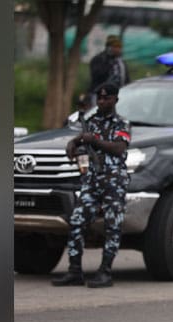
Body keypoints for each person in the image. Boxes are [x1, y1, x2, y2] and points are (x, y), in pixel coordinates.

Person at [52, 83, 131, 288]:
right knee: (77, 222)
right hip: (92, 181)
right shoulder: (91, 121)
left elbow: (119, 149)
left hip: (114, 180)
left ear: (115, 100)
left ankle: (105, 272)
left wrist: (94, 141)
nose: (102, 102)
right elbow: (81, 139)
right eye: (100, 98)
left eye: (107, 98)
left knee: (112, 226)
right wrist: (73, 144)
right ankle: (74, 271)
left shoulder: (121, 123)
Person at [88, 35, 130, 104]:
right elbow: (96, 76)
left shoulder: (121, 62)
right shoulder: (99, 59)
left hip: (118, 94)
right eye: (116, 47)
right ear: (109, 48)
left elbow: (126, 78)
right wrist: (108, 62)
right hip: (101, 94)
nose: (119, 50)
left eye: (120, 47)